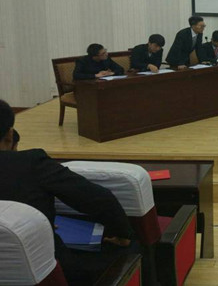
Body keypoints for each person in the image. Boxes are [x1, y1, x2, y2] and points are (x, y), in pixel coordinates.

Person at [0, 99, 135, 284]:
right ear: (10, 135)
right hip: (47, 271)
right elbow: (98, 199)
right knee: (126, 252)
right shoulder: (30, 163)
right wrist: (123, 234)